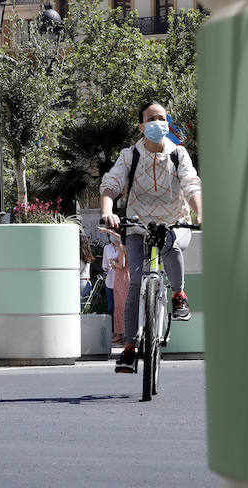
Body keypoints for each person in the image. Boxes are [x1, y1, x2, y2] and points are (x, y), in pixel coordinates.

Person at [100, 101, 203, 373]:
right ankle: (130, 348)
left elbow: (191, 184)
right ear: (141, 125)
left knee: (170, 243)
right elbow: (112, 184)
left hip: (175, 223)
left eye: (162, 118)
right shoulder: (129, 156)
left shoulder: (178, 154)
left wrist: (200, 212)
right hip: (137, 226)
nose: (158, 122)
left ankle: (179, 295)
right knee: (135, 283)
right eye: (151, 118)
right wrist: (108, 212)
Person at [101, 230, 125, 344]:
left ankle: (121, 332)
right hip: (110, 281)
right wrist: (108, 266)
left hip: (121, 280)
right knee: (111, 308)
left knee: (120, 307)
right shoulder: (107, 248)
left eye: (113, 235)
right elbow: (104, 264)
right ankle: (114, 332)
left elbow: (122, 265)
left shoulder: (122, 245)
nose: (112, 237)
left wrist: (115, 263)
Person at [78, 232, 95, 305]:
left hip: (80, 282)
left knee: (79, 307)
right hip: (88, 282)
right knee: (85, 306)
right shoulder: (88, 254)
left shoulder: (79, 256)